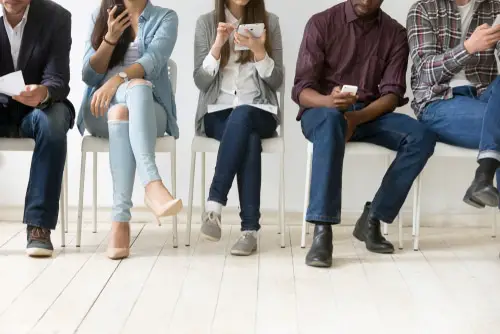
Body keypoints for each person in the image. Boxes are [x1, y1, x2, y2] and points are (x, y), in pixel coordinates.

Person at [293, 0, 437, 268]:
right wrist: (330, 103)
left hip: (368, 115)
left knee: (421, 135)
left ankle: (374, 217)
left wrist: (356, 118)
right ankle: (322, 231)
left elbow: (392, 94)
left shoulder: (395, 33)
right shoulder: (321, 23)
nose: (367, 0)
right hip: (322, 112)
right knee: (330, 120)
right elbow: (301, 90)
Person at [79, 0, 181, 260]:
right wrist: (109, 40)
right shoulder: (100, 15)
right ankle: (153, 186)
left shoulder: (166, 18)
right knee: (120, 108)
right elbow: (89, 76)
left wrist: (117, 80)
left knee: (137, 88)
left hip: (149, 111)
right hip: (101, 108)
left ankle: (119, 220)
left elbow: (154, 61)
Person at [193, 0, 283, 256]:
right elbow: (200, 81)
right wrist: (217, 46)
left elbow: (277, 81)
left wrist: (259, 51)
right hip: (217, 112)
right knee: (249, 138)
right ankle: (250, 231)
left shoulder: (271, 22)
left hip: (260, 109)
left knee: (244, 114)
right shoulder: (206, 23)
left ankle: (214, 206)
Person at [407, 1, 500, 212]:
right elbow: (426, 72)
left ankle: (483, 177)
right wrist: (469, 47)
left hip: (485, 98)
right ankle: (483, 176)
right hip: (438, 101)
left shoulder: (495, 7)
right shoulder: (423, 8)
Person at [0, 0, 73, 257]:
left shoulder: (56, 17)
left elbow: (58, 78)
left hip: (38, 107)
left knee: (53, 122)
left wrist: (43, 92)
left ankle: (39, 226)